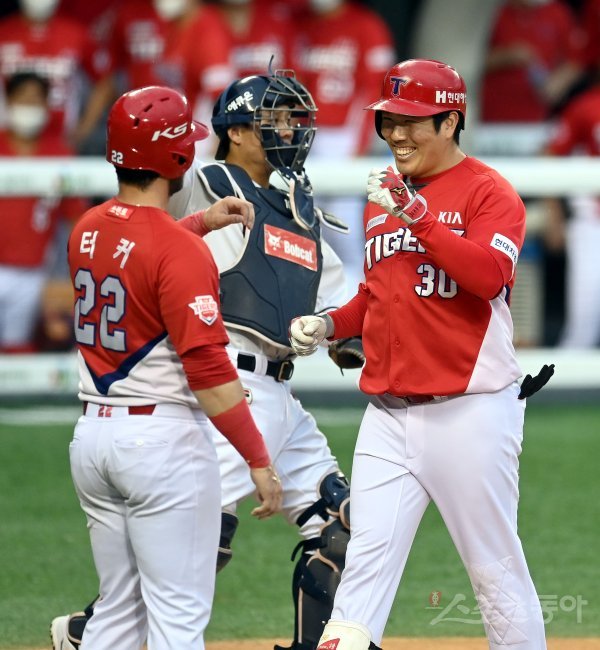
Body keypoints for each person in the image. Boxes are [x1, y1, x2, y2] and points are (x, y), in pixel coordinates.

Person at [51, 70, 362, 650]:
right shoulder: (204, 180)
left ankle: (97, 632)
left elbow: (329, 295)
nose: (290, 131)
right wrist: (257, 458)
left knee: (343, 525)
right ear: (235, 131)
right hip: (220, 386)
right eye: (274, 120)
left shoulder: (296, 205)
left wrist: (341, 331)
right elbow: (154, 229)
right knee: (193, 559)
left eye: (293, 120)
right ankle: (85, 631)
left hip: (273, 391)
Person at [290, 59, 548, 650]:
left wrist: (417, 215)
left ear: (450, 122)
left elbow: (488, 276)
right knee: (361, 575)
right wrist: (329, 324)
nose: (396, 134)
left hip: (470, 413)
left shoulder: (489, 192)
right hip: (386, 416)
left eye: (411, 121)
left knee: (494, 573)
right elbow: (377, 294)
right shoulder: (385, 196)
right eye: (389, 121)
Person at [64, 83, 282, 650]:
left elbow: (138, 253)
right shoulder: (178, 252)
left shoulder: (87, 227)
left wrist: (200, 222)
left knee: (117, 611)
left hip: (93, 440)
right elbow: (207, 369)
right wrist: (258, 458)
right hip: (160, 446)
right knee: (177, 620)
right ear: (177, 156)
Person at [294, 0, 396, 294]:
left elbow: (377, 87)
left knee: (344, 225)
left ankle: (361, 295)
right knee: (307, 224)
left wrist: (361, 142)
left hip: (344, 138)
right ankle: (322, 296)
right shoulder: (300, 22)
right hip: (305, 136)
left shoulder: (367, 25)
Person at [0, 71, 87, 353]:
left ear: (47, 105)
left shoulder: (59, 153)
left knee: (18, 351)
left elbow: (77, 220)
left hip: (34, 273)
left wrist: (73, 278)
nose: (29, 106)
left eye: (35, 100)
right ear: (8, 101)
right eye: (22, 99)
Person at [0, 0, 110, 143]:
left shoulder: (76, 33)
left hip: (62, 137)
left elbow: (105, 83)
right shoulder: (4, 32)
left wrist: (83, 130)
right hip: (6, 137)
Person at [541, 81, 600, 347]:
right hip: (592, 222)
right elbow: (549, 154)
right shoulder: (586, 105)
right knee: (583, 326)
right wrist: (554, 217)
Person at [480, 0, 586, 124]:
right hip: (488, 116)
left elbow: (577, 59)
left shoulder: (557, 13)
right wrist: (505, 56)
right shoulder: (490, 11)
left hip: (536, 116)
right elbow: (466, 61)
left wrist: (558, 82)